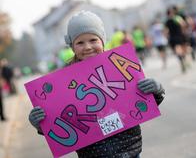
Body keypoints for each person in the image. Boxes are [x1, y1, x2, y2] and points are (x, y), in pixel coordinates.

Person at [28, 11, 165, 158]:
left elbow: (143, 102)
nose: (87, 47)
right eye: (80, 42)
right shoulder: (63, 82)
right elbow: (59, 122)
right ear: (72, 47)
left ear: (102, 41)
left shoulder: (118, 65)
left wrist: (156, 90)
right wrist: (41, 124)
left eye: (93, 40)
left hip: (130, 149)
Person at [165, 7, 188, 73]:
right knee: (183, 49)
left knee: (177, 49)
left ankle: (181, 59)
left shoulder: (167, 21)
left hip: (172, 37)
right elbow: (183, 24)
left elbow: (166, 31)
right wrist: (183, 31)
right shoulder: (177, 18)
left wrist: (167, 37)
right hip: (179, 35)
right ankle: (183, 59)